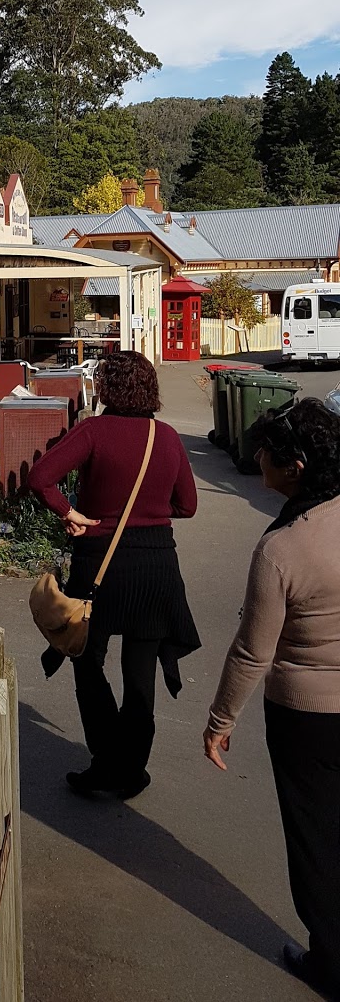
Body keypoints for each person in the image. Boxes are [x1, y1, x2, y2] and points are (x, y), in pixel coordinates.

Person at [204, 399, 340, 998]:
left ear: (298, 466)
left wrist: (219, 720)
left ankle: (331, 959)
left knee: (315, 837)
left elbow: (252, 653)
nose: (258, 458)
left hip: (307, 719)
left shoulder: (282, 549)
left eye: (268, 453)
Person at [27, 350, 199, 798]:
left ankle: (106, 762)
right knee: (141, 675)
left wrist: (72, 512)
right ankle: (131, 768)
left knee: (86, 660)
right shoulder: (167, 437)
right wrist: (149, 511)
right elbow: (188, 506)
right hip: (156, 566)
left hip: (99, 562)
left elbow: (40, 477)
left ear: (106, 388)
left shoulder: (94, 431)